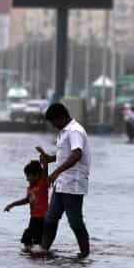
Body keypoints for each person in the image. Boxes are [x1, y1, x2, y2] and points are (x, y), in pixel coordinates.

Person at [36, 103, 91, 258]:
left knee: (75, 222)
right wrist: (50, 158)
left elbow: (77, 154)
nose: (53, 126)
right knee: (50, 219)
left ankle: (85, 253)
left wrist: (56, 172)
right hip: (61, 183)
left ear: (61, 117)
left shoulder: (75, 131)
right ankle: (43, 249)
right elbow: (66, 155)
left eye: (53, 122)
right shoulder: (65, 131)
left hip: (73, 184)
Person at [3, 160, 49, 252]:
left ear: (37, 175)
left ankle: (39, 254)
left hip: (43, 218)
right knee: (27, 239)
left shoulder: (42, 184)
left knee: (38, 239)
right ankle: (30, 253)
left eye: (29, 176)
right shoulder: (30, 188)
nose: (27, 179)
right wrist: (12, 204)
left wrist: (45, 162)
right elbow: (27, 200)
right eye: (26, 176)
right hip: (34, 218)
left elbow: (44, 173)